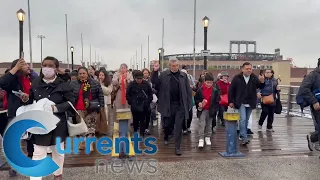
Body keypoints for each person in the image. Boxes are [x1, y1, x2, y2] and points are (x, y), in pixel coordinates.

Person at [26, 56, 75, 180]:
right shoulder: (36, 82)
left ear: (56, 68)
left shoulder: (64, 84)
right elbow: (31, 98)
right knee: (38, 152)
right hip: (41, 123)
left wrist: (55, 108)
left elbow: (71, 102)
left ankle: (58, 175)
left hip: (59, 123)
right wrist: (26, 99)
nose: (46, 68)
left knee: (58, 152)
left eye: (50, 66)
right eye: (44, 65)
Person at [0, 58, 36, 177]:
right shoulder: (13, 79)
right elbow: (2, 83)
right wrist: (15, 69)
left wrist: (29, 96)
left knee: (31, 137)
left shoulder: (32, 77)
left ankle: (30, 159)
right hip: (15, 112)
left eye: (27, 64)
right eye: (24, 64)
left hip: (30, 111)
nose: (27, 66)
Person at [151, 57, 192, 155]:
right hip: (168, 104)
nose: (175, 67)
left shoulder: (183, 75)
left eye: (177, 65)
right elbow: (155, 84)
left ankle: (177, 147)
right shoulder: (164, 75)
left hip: (180, 105)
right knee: (167, 124)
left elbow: (188, 90)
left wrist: (189, 103)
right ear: (169, 66)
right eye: (173, 66)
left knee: (178, 127)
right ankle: (166, 135)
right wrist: (155, 71)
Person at [228, 62, 264, 145]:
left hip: (250, 102)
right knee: (242, 119)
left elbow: (260, 87)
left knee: (246, 120)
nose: (249, 70)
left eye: (250, 69)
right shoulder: (237, 78)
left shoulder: (254, 77)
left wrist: (262, 81)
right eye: (247, 69)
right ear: (242, 69)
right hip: (240, 102)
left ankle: (242, 134)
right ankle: (244, 137)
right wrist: (230, 101)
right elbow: (231, 90)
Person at [70, 67, 104, 151]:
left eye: (84, 73)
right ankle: (82, 142)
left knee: (91, 126)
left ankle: (89, 143)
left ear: (87, 74)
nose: (82, 75)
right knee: (81, 127)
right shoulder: (73, 84)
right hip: (78, 108)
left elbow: (100, 95)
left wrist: (101, 106)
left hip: (92, 108)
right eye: (80, 74)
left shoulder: (94, 83)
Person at [299, 58, 320, 151]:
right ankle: (314, 140)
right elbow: (304, 89)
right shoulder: (312, 76)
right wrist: (314, 101)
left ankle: (313, 139)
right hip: (317, 105)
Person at [194, 73, 220, 147]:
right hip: (202, 110)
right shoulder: (200, 90)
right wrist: (199, 103)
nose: (209, 84)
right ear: (204, 82)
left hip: (211, 110)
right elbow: (196, 99)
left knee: (209, 124)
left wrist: (215, 109)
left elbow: (217, 101)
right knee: (202, 124)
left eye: (211, 83)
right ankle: (201, 138)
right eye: (208, 82)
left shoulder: (215, 91)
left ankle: (207, 137)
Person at [126, 71, 153, 137]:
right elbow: (127, 94)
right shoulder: (131, 84)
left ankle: (142, 133)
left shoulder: (146, 84)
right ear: (135, 78)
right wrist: (131, 102)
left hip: (144, 105)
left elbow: (150, 94)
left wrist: (147, 102)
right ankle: (135, 131)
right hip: (135, 105)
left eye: (140, 78)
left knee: (142, 119)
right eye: (137, 79)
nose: (139, 80)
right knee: (135, 119)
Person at [142, 68, 154, 134]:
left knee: (148, 114)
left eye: (147, 73)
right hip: (141, 101)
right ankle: (142, 128)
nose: (145, 74)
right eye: (144, 73)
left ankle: (146, 128)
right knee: (142, 115)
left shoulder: (150, 80)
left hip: (148, 100)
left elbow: (153, 88)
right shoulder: (140, 80)